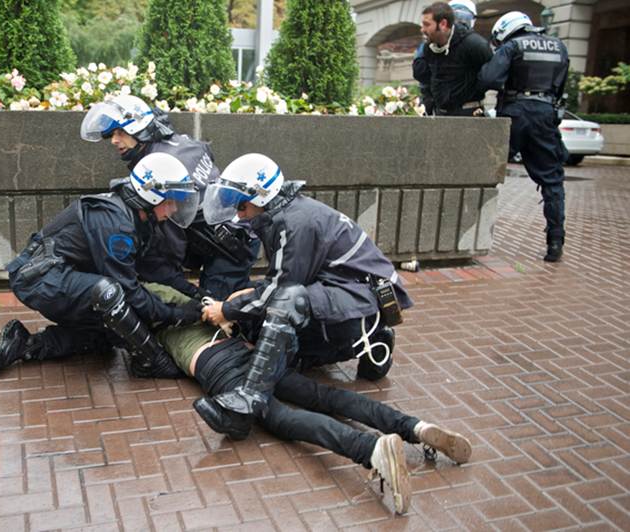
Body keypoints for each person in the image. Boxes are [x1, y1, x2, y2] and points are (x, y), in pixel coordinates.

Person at [145, 282, 472, 516]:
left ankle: (370, 450)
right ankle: (415, 427)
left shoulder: (150, 309)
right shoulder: (190, 298)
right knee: (325, 396)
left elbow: (151, 351)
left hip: (218, 368)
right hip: (253, 355)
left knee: (281, 419)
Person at [192, 153, 413, 439]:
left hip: (362, 297)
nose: (240, 213)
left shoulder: (293, 224)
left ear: (261, 198)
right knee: (274, 336)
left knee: (283, 302)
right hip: (344, 293)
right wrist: (248, 296)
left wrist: (228, 309)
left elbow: (284, 290)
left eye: (242, 205)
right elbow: (284, 279)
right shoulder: (282, 215)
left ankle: (246, 403)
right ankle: (375, 341)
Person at [0, 152, 203, 381]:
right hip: (39, 280)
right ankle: (152, 362)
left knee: (108, 337)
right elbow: (129, 290)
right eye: (170, 201)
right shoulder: (117, 225)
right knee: (109, 293)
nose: (174, 209)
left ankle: (23, 345)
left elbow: (154, 269)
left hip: (61, 277)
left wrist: (196, 295)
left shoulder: (136, 217)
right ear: (151, 196)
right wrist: (176, 314)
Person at [81, 95, 259, 300]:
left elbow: (171, 237)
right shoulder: (176, 141)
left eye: (121, 132)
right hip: (233, 235)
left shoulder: (162, 167)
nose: (114, 140)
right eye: (112, 134)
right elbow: (207, 153)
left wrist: (172, 280)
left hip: (230, 248)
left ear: (140, 130)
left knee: (220, 314)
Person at [478, 12, 569, 262]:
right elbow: (560, 86)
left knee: (483, 173)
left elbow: (489, 79)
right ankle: (555, 242)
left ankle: (467, 234)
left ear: (506, 30)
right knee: (552, 180)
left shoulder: (512, 46)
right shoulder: (559, 47)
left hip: (515, 114)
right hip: (545, 115)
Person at [412, 1, 492, 116]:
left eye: (427, 24)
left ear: (443, 24)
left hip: (469, 116)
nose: (422, 29)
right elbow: (423, 75)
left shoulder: (475, 44)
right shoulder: (428, 47)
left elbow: (493, 77)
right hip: (441, 115)